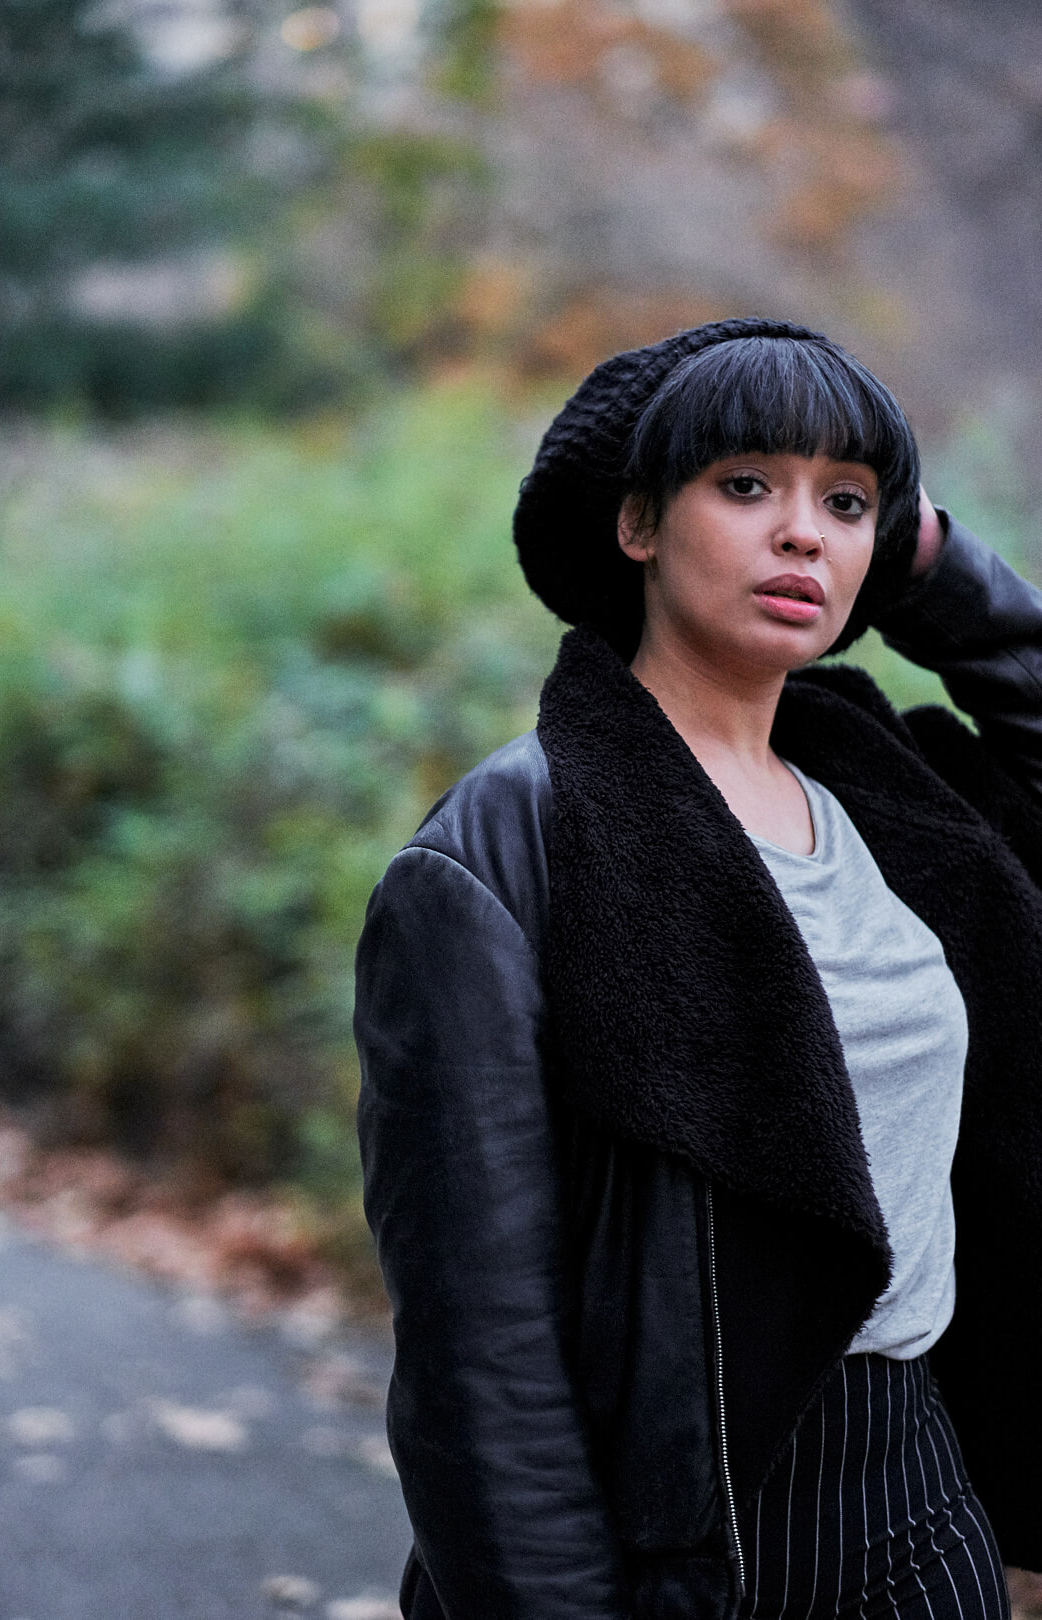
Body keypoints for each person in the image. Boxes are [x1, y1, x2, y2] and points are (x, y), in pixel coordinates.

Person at [353, 316, 1042, 1620]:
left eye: (847, 503)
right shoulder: (507, 849)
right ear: (638, 527)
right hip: (684, 1526)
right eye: (745, 487)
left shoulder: (900, 798)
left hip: (921, 1486)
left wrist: (941, 572)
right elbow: (477, 1351)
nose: (803, 534)